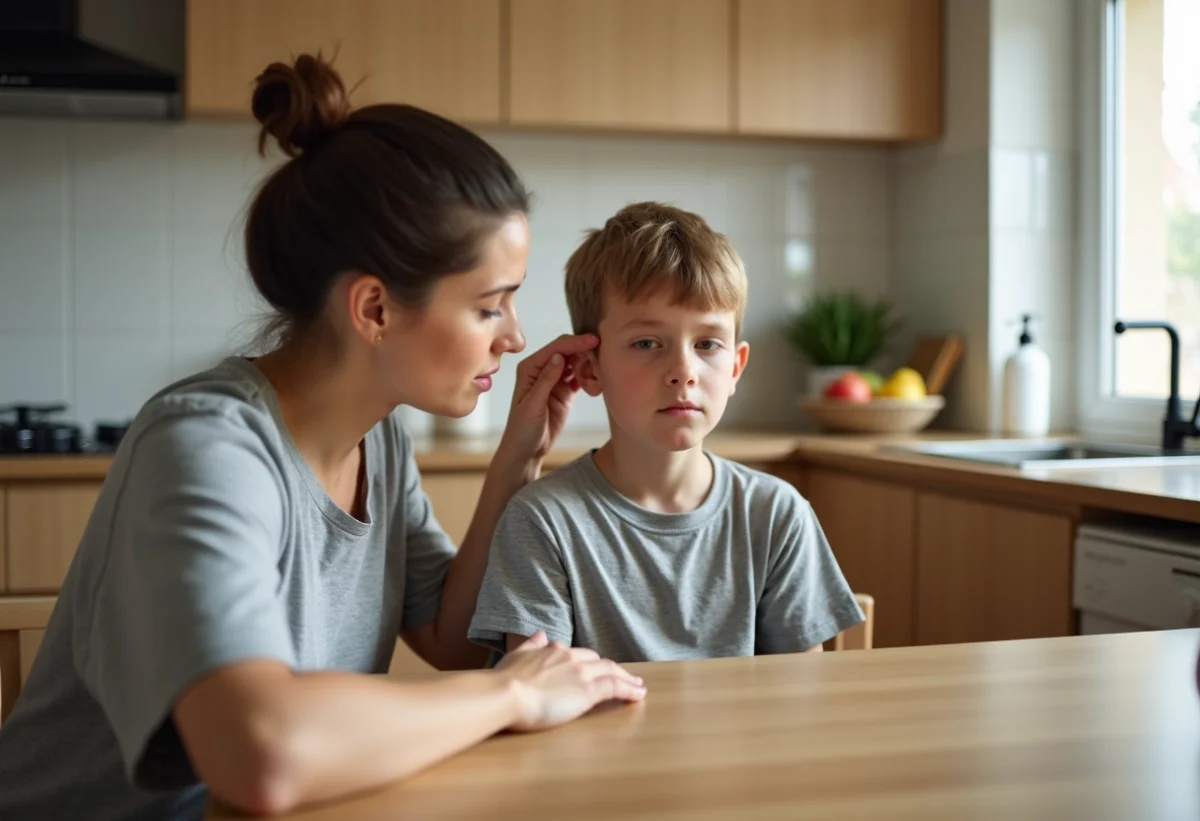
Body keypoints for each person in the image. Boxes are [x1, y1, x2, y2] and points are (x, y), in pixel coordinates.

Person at [0, 55, 645, 820]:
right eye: (488, 306)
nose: (514, 336)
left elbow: (449, 635)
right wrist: (511, 692)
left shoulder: (382, 437)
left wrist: (518, 458)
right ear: (374, 308)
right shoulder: (206, 446)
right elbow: (260, 755)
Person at [468, 202, 864, 663]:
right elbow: (537, 695)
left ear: (735, 368)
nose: (683, 371)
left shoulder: (777, 515)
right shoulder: (543, 522)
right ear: (590, 369)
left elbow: (802, 699)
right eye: (647, 343)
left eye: (707, 344)